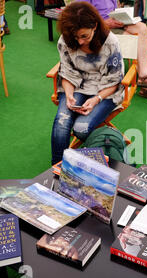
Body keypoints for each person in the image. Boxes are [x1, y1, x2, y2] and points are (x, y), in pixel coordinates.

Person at [51, 2, 125, 165]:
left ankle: (89, 161)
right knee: (61, 123)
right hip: (76, 85)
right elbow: (67, 73)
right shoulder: (66, 39)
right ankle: (56, 167)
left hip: (105, 90)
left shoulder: (110, 42)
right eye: (76, 37)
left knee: (81, 129)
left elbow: (115, 80)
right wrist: (69, 95)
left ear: (95, 26)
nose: (79, 42)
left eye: (84, 36)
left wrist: (97, 99)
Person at [80, 0, 147, 102]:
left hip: (114, 26)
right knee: (134, 40)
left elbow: (113, 10)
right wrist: (104, 23)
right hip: (96, 31)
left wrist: (121, 19)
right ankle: (145, 84)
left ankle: (144, 76)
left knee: (142, 27)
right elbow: (80, 19)